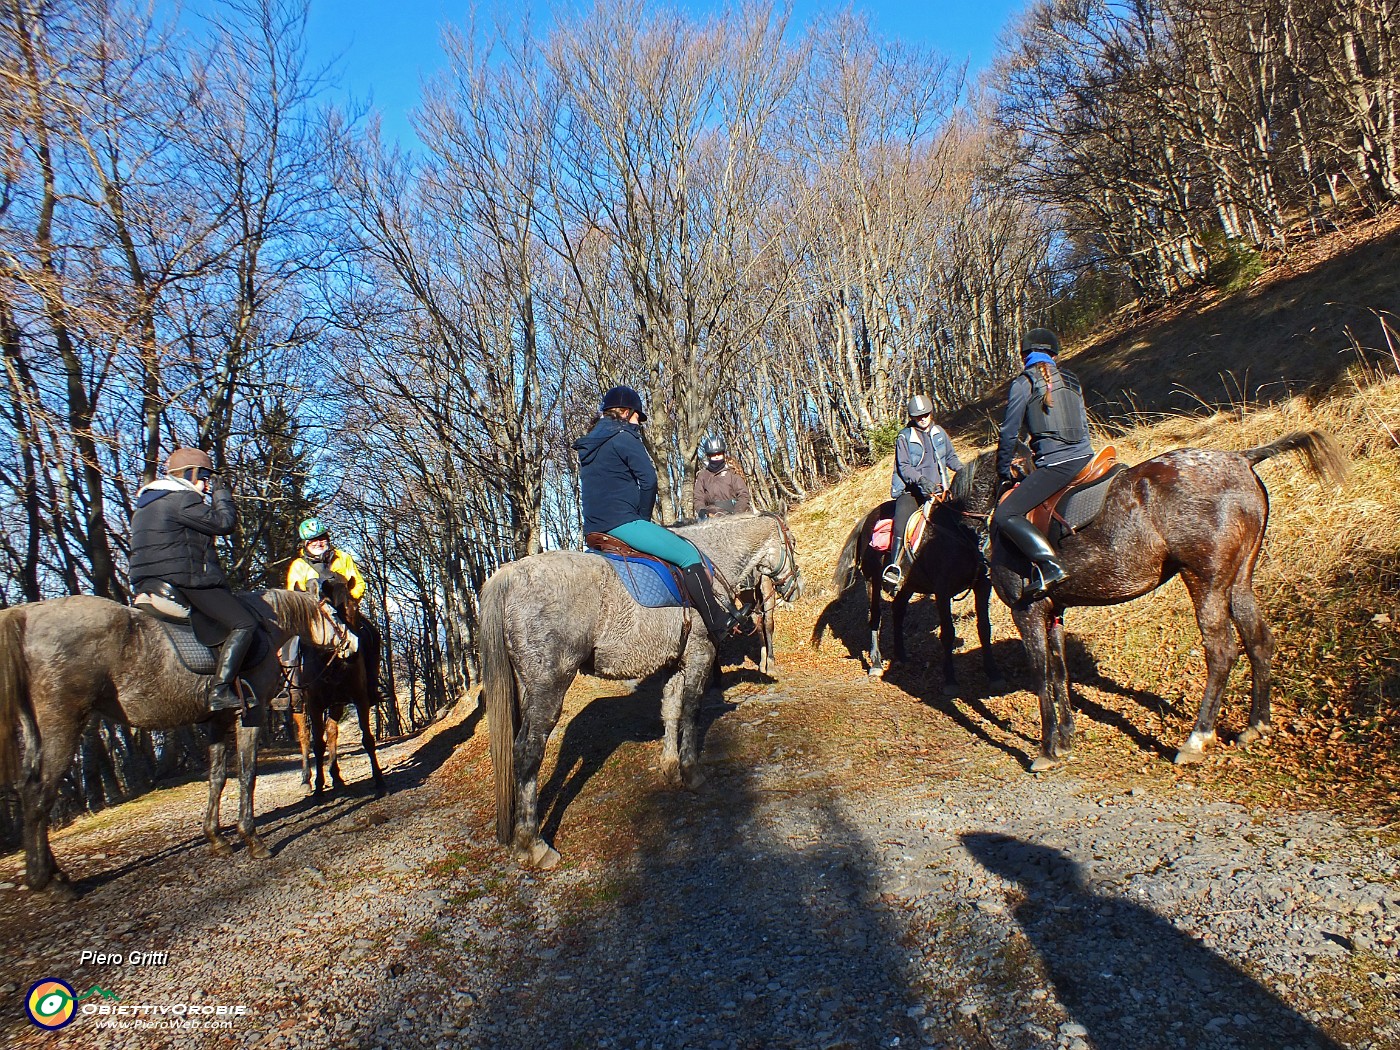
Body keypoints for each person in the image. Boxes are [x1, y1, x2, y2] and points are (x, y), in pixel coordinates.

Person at [574, 385, 740, 640]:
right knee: (687, 555)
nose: (638, 423)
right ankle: (717, 623)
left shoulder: (590, 444)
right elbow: (649, 480)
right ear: (627, 412)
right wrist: (640, 516)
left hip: (592, 529)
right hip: (623, 522)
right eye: (637, 417)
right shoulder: (624, 437)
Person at [129, 448, 254, 712]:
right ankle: (220, 691)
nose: (207, 485)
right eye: (205, 477)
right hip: (184, 579)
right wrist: (222, 494)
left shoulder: (146, 503)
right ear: (191, 474)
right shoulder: (181, 499)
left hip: (147, 582)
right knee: (244, 623)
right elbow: (224, 523)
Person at [993, 327, 1094, 601]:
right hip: (1087, 457)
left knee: (1005, 515)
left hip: (1058, 464)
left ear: (1024, 355)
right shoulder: (1072, 379)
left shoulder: (1023, 383)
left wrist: (1004, 470)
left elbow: (1009, 433)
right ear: (1053, 354)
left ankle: (1049, 564)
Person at [282, 518, 367, 712]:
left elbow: (359, 583)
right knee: (290, 643)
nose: (319, 543)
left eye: (322, 538)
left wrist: (349, 600)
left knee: (371, 635)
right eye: (313, 541)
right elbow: (293, 595)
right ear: (305, 544)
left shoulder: (342, 558)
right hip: (314, 618)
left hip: (343, 612)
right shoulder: (298, 566)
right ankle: (290, 692)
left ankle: (371, 683)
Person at [883, 393, 964, 590]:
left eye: (926, 414)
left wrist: (964, 472)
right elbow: (904, 467)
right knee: (901, 522)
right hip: (912, 492)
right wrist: (921, 480)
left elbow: (951, 457)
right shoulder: (904, 436)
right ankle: (895, 568)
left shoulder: (939, 432)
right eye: (918, 416)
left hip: (939, 491)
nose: (923, 418)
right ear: (912, 417)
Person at [693, 435, 752, 519]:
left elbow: (743, 495)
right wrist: (701, 510)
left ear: (723, 454)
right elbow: (698, 497)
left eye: (719, 454)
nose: (716, 456)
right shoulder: (702, 475)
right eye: (713, 455)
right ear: (708, 456)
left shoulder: (732, 473)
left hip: (733, 514)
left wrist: (737, 513)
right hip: (711, 517)